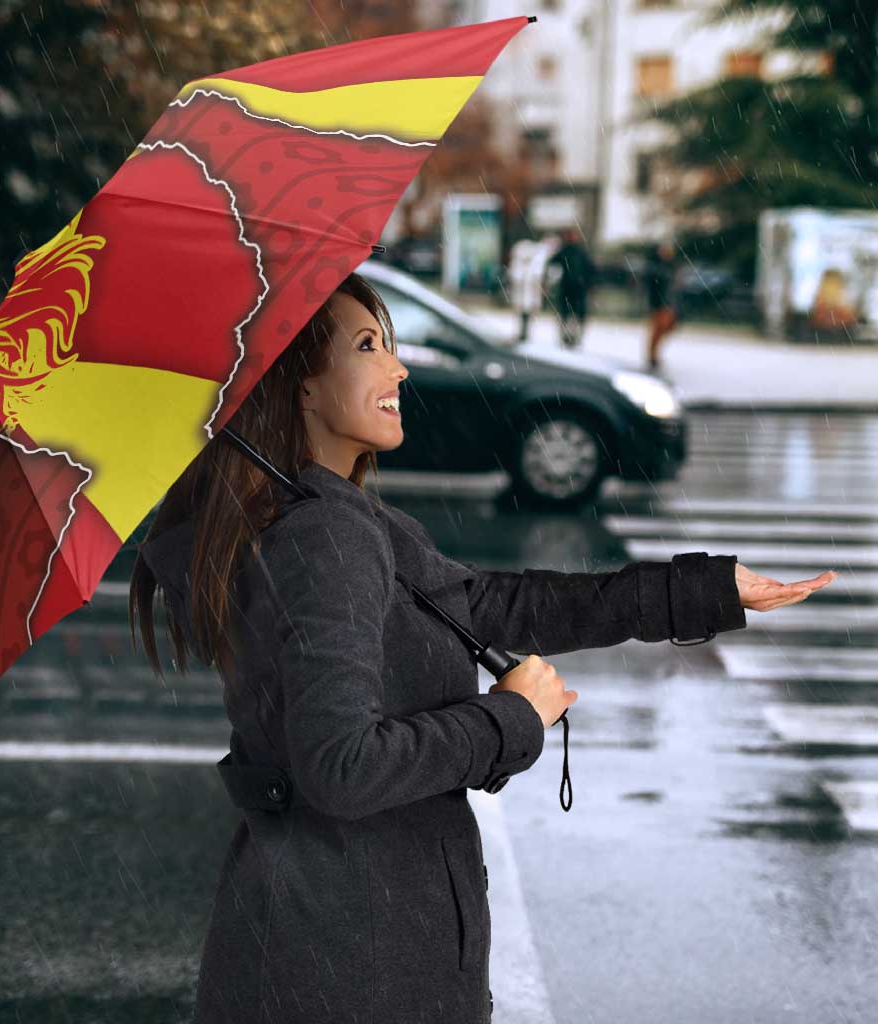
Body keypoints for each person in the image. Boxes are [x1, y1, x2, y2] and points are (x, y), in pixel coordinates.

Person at [129, 271, 827, 1024]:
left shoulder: (329, 518)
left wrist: (705, 591)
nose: (398, 368)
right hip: (351, 963)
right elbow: (342, 768)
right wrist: (510, 719)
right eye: (369, 346)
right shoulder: (322, 537)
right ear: (299, 385)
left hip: (332, 944)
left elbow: (494, 605)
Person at [546, 226, 596, 349]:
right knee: (567, 314)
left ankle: (573, 337)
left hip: (577, 288)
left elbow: (590, 270)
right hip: (569, 288)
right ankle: (567, 337)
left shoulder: (579, 252)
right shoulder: (566, 251)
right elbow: (552, 264)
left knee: (574, 315)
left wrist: (589, 284)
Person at [644, 239, 680, 371]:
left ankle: (654, 354)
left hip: (668, 303)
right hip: (659, 303)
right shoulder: (656, 267)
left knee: (666, 328)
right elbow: (653, 286)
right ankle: (652, 355)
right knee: (658, 329)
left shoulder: (671, 266)